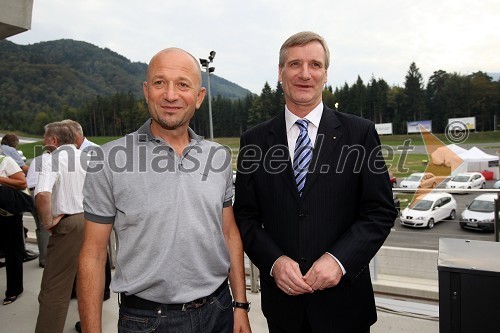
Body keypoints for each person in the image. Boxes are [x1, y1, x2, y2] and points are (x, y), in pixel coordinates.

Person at [78, 47, 251, 333]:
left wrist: (240, 306)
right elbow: (93, 254)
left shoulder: (217, 156)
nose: (171, 95)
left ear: (199, 97)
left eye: (183, 84)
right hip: (147, 321)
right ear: (147, 91)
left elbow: (229, 233)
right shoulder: (108, 159)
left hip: (219, 311)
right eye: (160, 83)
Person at [233, 31, 397, 333]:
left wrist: (339, 260)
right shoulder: (254, 140)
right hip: (284, 310)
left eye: (315, 65)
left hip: (346, 308)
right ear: (280, 73)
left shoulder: (359, 133)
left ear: (325, 74)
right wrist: (273, 262)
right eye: (295, 64)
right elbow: (245, 215)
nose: (305, 74)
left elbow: (380, 211)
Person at [34, 122, 87, 333]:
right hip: (93, 222)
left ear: (53, 140)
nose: (44, 143)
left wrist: (47, 222)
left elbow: (42, 195)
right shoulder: (88, 157)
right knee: (86, 280)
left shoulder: (52, 159)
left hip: (69, 224)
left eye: (45, 139)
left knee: (54, 289)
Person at [0, 155, 27, 305]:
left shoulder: (5, 161)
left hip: (7, 215)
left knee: (13, 252)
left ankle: (14, 290)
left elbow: (22, 183)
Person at [26, 151, 51, 267]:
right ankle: (45, 259)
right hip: (41, 192)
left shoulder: (37, 159)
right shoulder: (52, 159)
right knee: (46, 227)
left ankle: (43, 258)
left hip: (30, 193)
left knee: (40, 227)